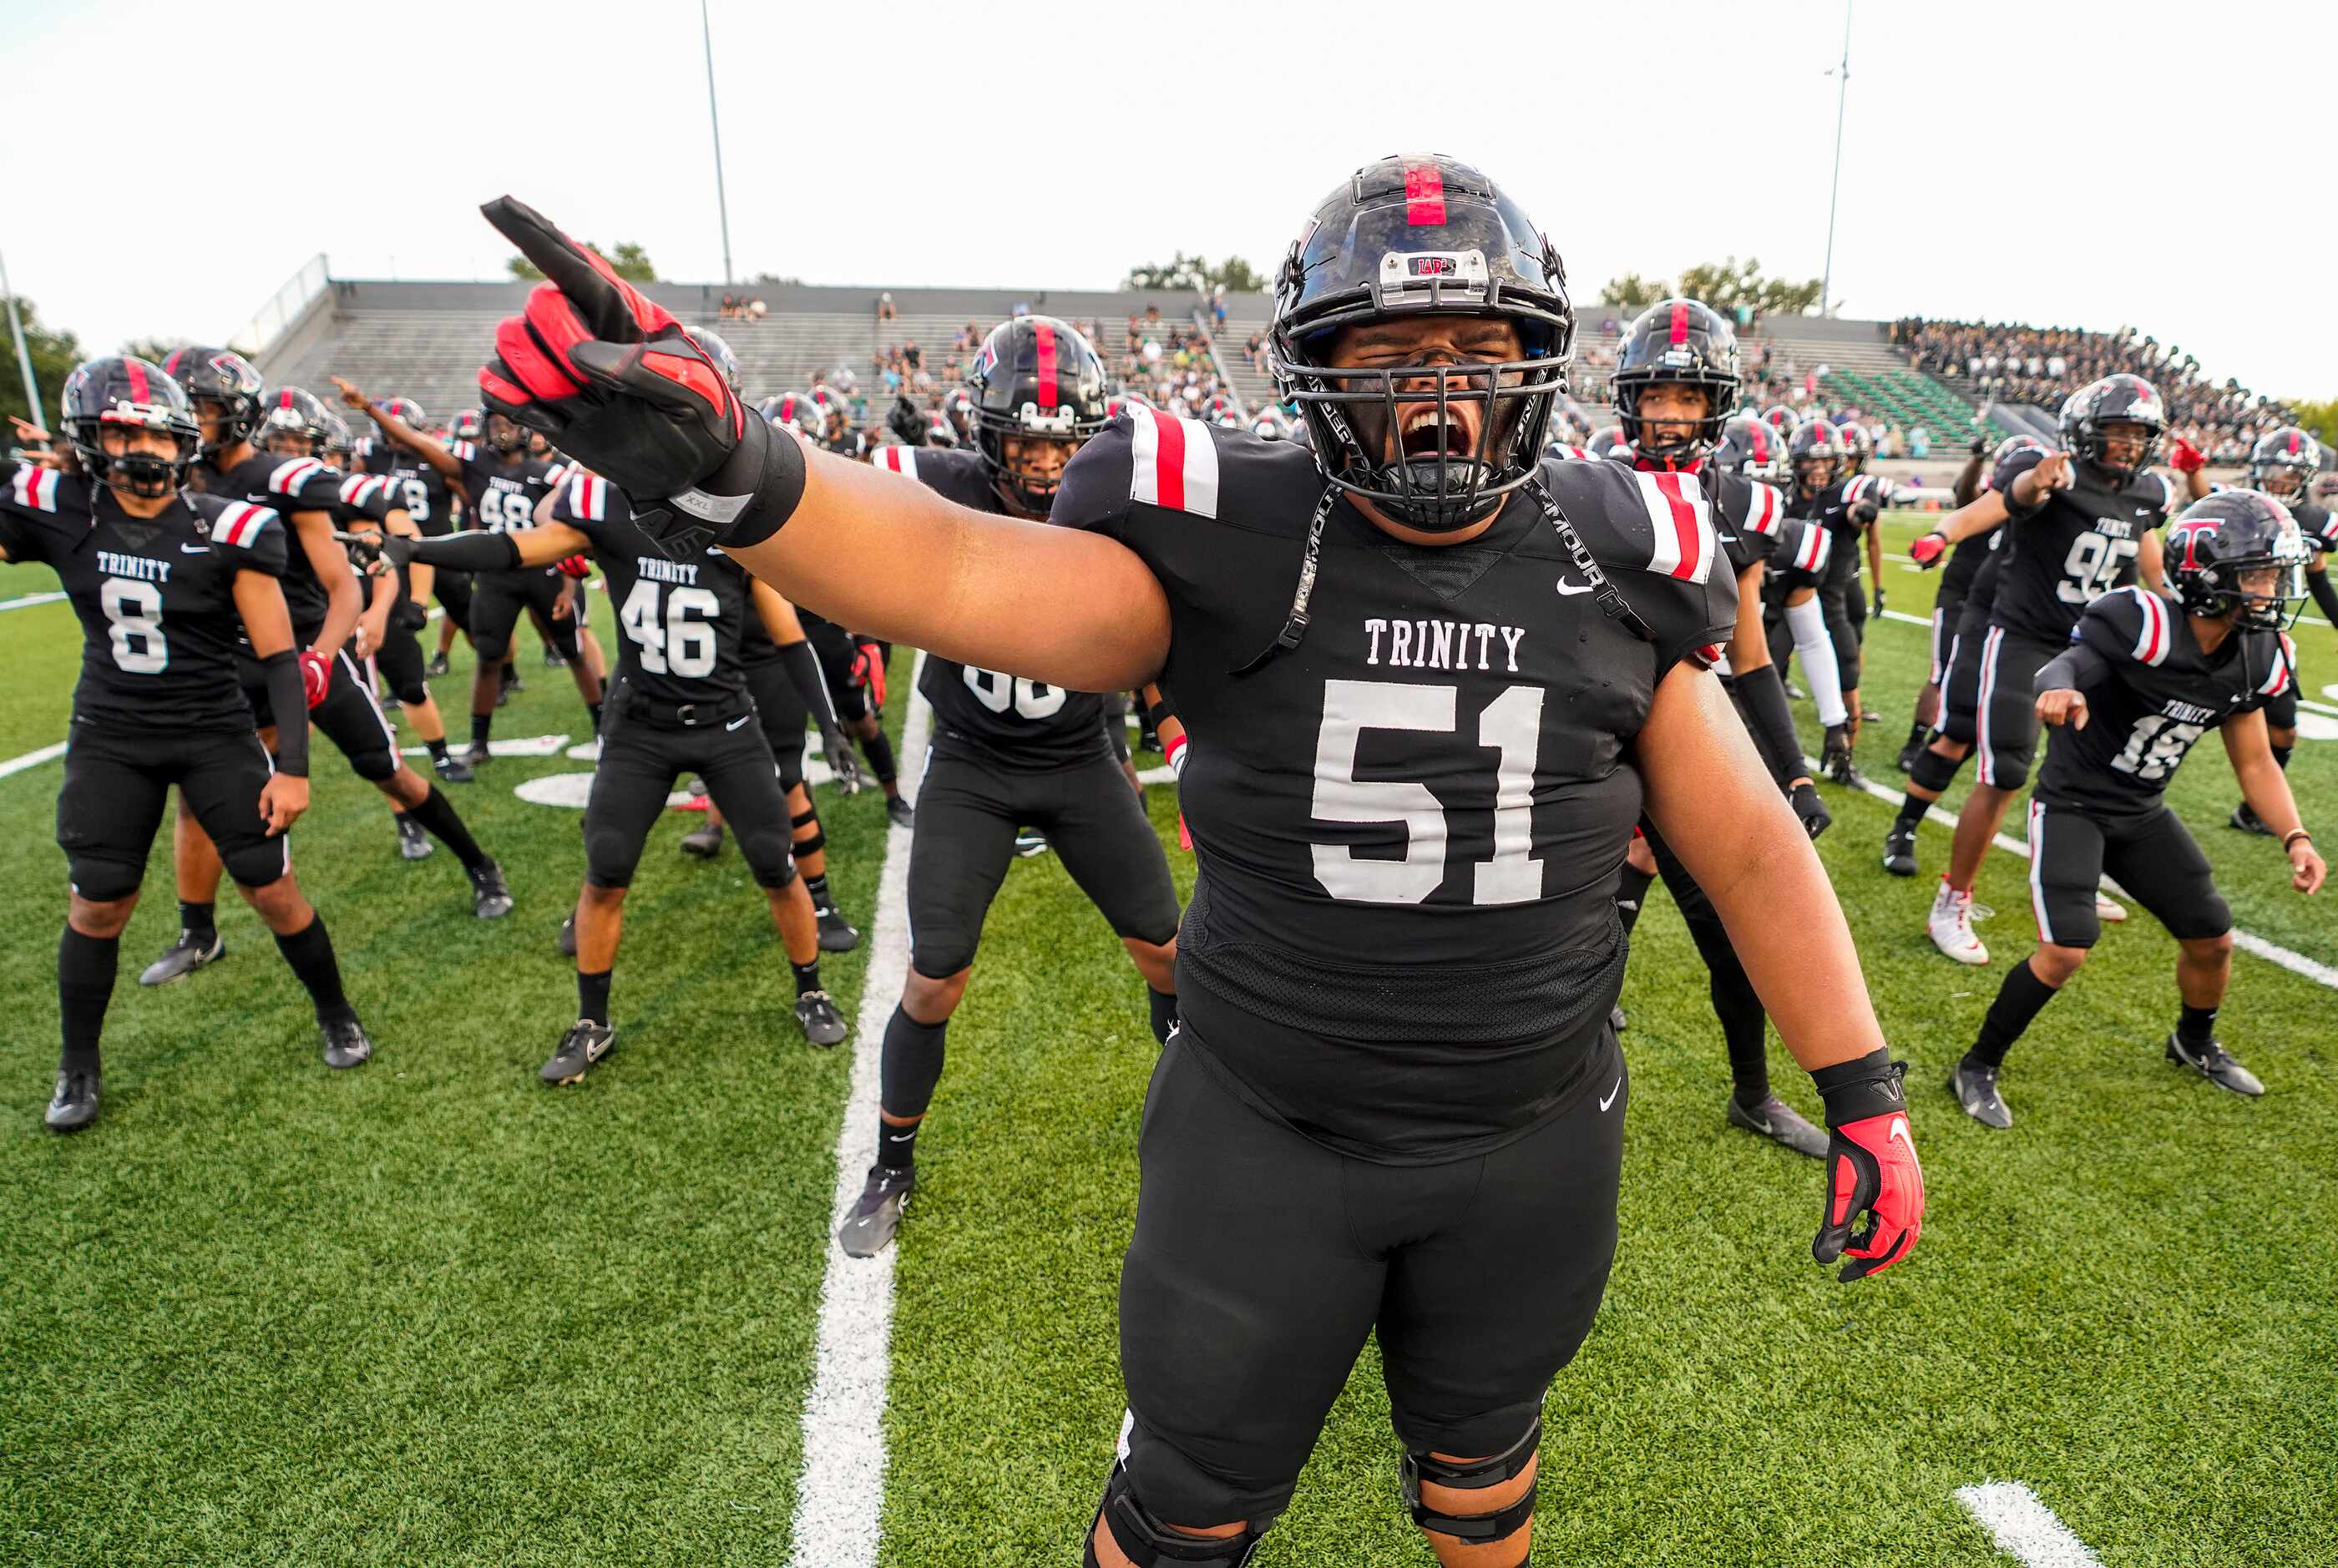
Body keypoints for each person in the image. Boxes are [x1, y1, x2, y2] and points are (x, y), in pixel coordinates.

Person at [471, 159, 1923, 1568]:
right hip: (1268, 1138)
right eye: (1386, 347)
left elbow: (1746, 840)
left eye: (1477, 345)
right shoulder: (1238, 528)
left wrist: (1860, 1085)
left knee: (1483, 1453)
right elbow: (955, 570)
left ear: (1543, 361)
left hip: (1537, 1135)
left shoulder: (1627, 545)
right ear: (1311, 367)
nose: (1433, 390)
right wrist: (745, 469)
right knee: (1190, 1507)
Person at [835, 321, 1184, 1258]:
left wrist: (1174, 729)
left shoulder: (1116, 502)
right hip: (972, 766)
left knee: (1168, 955)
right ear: (988, 434)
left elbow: (1165, 628)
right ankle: (892, 1162)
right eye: (1026, 442)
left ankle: (1205, 1137)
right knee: (936, 973)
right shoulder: (939, 481)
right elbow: (831, 498)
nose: (1042, 464)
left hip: (1080, 764)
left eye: (1062, 443)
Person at [387, 453, 852, 1076]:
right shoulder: (609, 505)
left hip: (727, 725)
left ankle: (811, 989)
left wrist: (829, 724)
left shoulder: (738, 522)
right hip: (641, 729)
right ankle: (591, 1021)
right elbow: (512, 548)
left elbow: (790, 639)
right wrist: (419, 549)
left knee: (775, 862)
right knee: (605, 871)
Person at [3, 358, 374, 1130]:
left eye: (149, 429)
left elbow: (278, 657)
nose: (138, 444)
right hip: (111, 735)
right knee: (98, 905)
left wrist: (295, 768)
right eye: (118, 429)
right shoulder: (57, 505)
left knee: (271, 888)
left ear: (180, 440)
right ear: (88, 439)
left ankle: (336, 1011)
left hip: (213, 729)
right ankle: (78, 1065)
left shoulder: (227, 527)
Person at [1948, 491, 2323, 1126]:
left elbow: (2256, 761)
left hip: (2143, 812)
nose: (2270, 589)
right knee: (2067, 948)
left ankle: (2193, 1043)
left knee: (2213, 939)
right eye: (2256, 574)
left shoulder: (2258, 654)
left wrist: (2295, 835)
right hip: (2073, 805)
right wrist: (2061, 688)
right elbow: (2065, 665)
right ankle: (1978, 1064)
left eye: (2272, 574)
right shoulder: (2142, 621)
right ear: (2207, 575)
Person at [139, 353, 510, 989]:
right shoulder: (170, 481)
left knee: (384, 769)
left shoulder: (284, 479)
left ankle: (480, 864)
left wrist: (325, 649)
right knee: (196, 796)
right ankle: (198, 930)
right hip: (227, 662)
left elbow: (361, 552)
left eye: (200, 409)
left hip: (309, 649)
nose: (188, 424)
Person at [1591, 300, 1832, 1159]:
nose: (1669, 414)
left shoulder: (1742, 506)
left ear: (1715, 406)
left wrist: (1794, 772)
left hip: (1690, 739)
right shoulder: (1591, 487)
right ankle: (1552, 1092)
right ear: (1628, 398)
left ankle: (1754, 1094)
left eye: (1688, 399)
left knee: (1735, 941)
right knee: (1561, 940)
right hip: (1598, 733)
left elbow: (1753, 655)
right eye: (1656, 395)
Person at [1894, 376, 2173, 963]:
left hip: (2095, 648)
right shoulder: (2051, 472)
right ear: (2083, 433)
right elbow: (1998, 502)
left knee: (2094, 774)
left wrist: (2170, 599)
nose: (2127, 444)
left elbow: (2146, 548)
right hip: (2024, 639)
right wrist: (1941, 533)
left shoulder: (2147, 490)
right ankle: (1951, 903)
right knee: (2005, 774)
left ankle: (2073, 875)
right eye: (2116, 431)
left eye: (2138, 434)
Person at [331, 377, 604, 765]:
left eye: (508, 423)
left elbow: (572, 533)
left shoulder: (551, 474)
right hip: (494, 574)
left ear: (527, 428)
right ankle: (479, 742)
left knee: (574, 651)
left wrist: (568, 584)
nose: (501, 431)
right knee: (488, 657)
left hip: (542, 572)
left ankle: (600, 726)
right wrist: (369, 409)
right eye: (494, 425)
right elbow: (418, 443)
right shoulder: (474, 463)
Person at [2174, 425, 2337, 834]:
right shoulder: (2243, 507)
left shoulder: (2314, 521)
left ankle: (2254, 809)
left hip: (2266, 631)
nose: (2280, 481)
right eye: (2274, 471)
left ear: (2305, 478)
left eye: (2289, 473)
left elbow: (2317, 579)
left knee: (2283, 728)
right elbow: (2207, 504)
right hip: (2218, 618)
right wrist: (2194, 472)